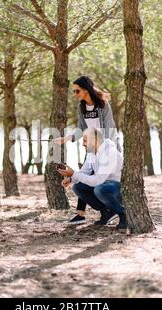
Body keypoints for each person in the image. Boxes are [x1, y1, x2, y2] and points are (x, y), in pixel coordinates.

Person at [54, 75, 121, 225]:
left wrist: (108, 150)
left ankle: (106, 210)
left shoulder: (103, 104)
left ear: (85, 90)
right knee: (84, 175)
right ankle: (84, 213)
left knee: (98, 178)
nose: (75, 94)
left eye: (76, 91)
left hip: (107, 146)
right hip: (91, 146)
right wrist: (66, 139)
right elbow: (81, 129)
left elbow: (110, 129)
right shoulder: (81, 107)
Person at [57, 128, 126, 230]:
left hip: (117, 188)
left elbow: (98, 181)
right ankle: (107, 212)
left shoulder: (110, 153)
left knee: (99, 189)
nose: (82, 144)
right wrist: (71, 178)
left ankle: (123, 214)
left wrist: (74, 174)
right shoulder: (91, 153)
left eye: (85, 140)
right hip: (104, 186)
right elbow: (84, 173)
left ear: (94, 140)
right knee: (78, 187)